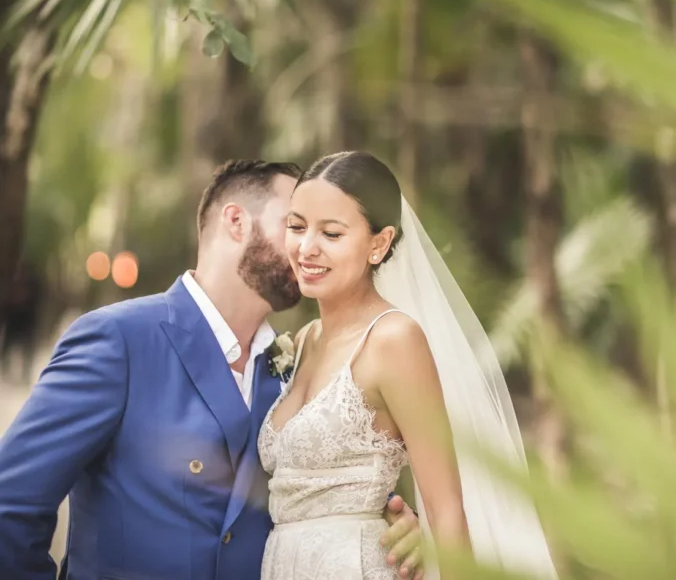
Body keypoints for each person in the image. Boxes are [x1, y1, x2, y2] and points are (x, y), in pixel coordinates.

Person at [0, 160, 423, 580]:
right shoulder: (118, 340)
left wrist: (398, 526)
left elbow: (328, 493)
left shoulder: (294, 373)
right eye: (294, 224)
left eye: (323, 229)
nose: (305, 246)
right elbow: (11, 507)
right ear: (236, 221)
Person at [260, 151, 556, 579]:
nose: (307, 248)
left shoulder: (394, 340)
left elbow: (446, 511)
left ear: (378, 244)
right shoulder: (305, 342)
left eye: (332, 233)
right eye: (297, 226)